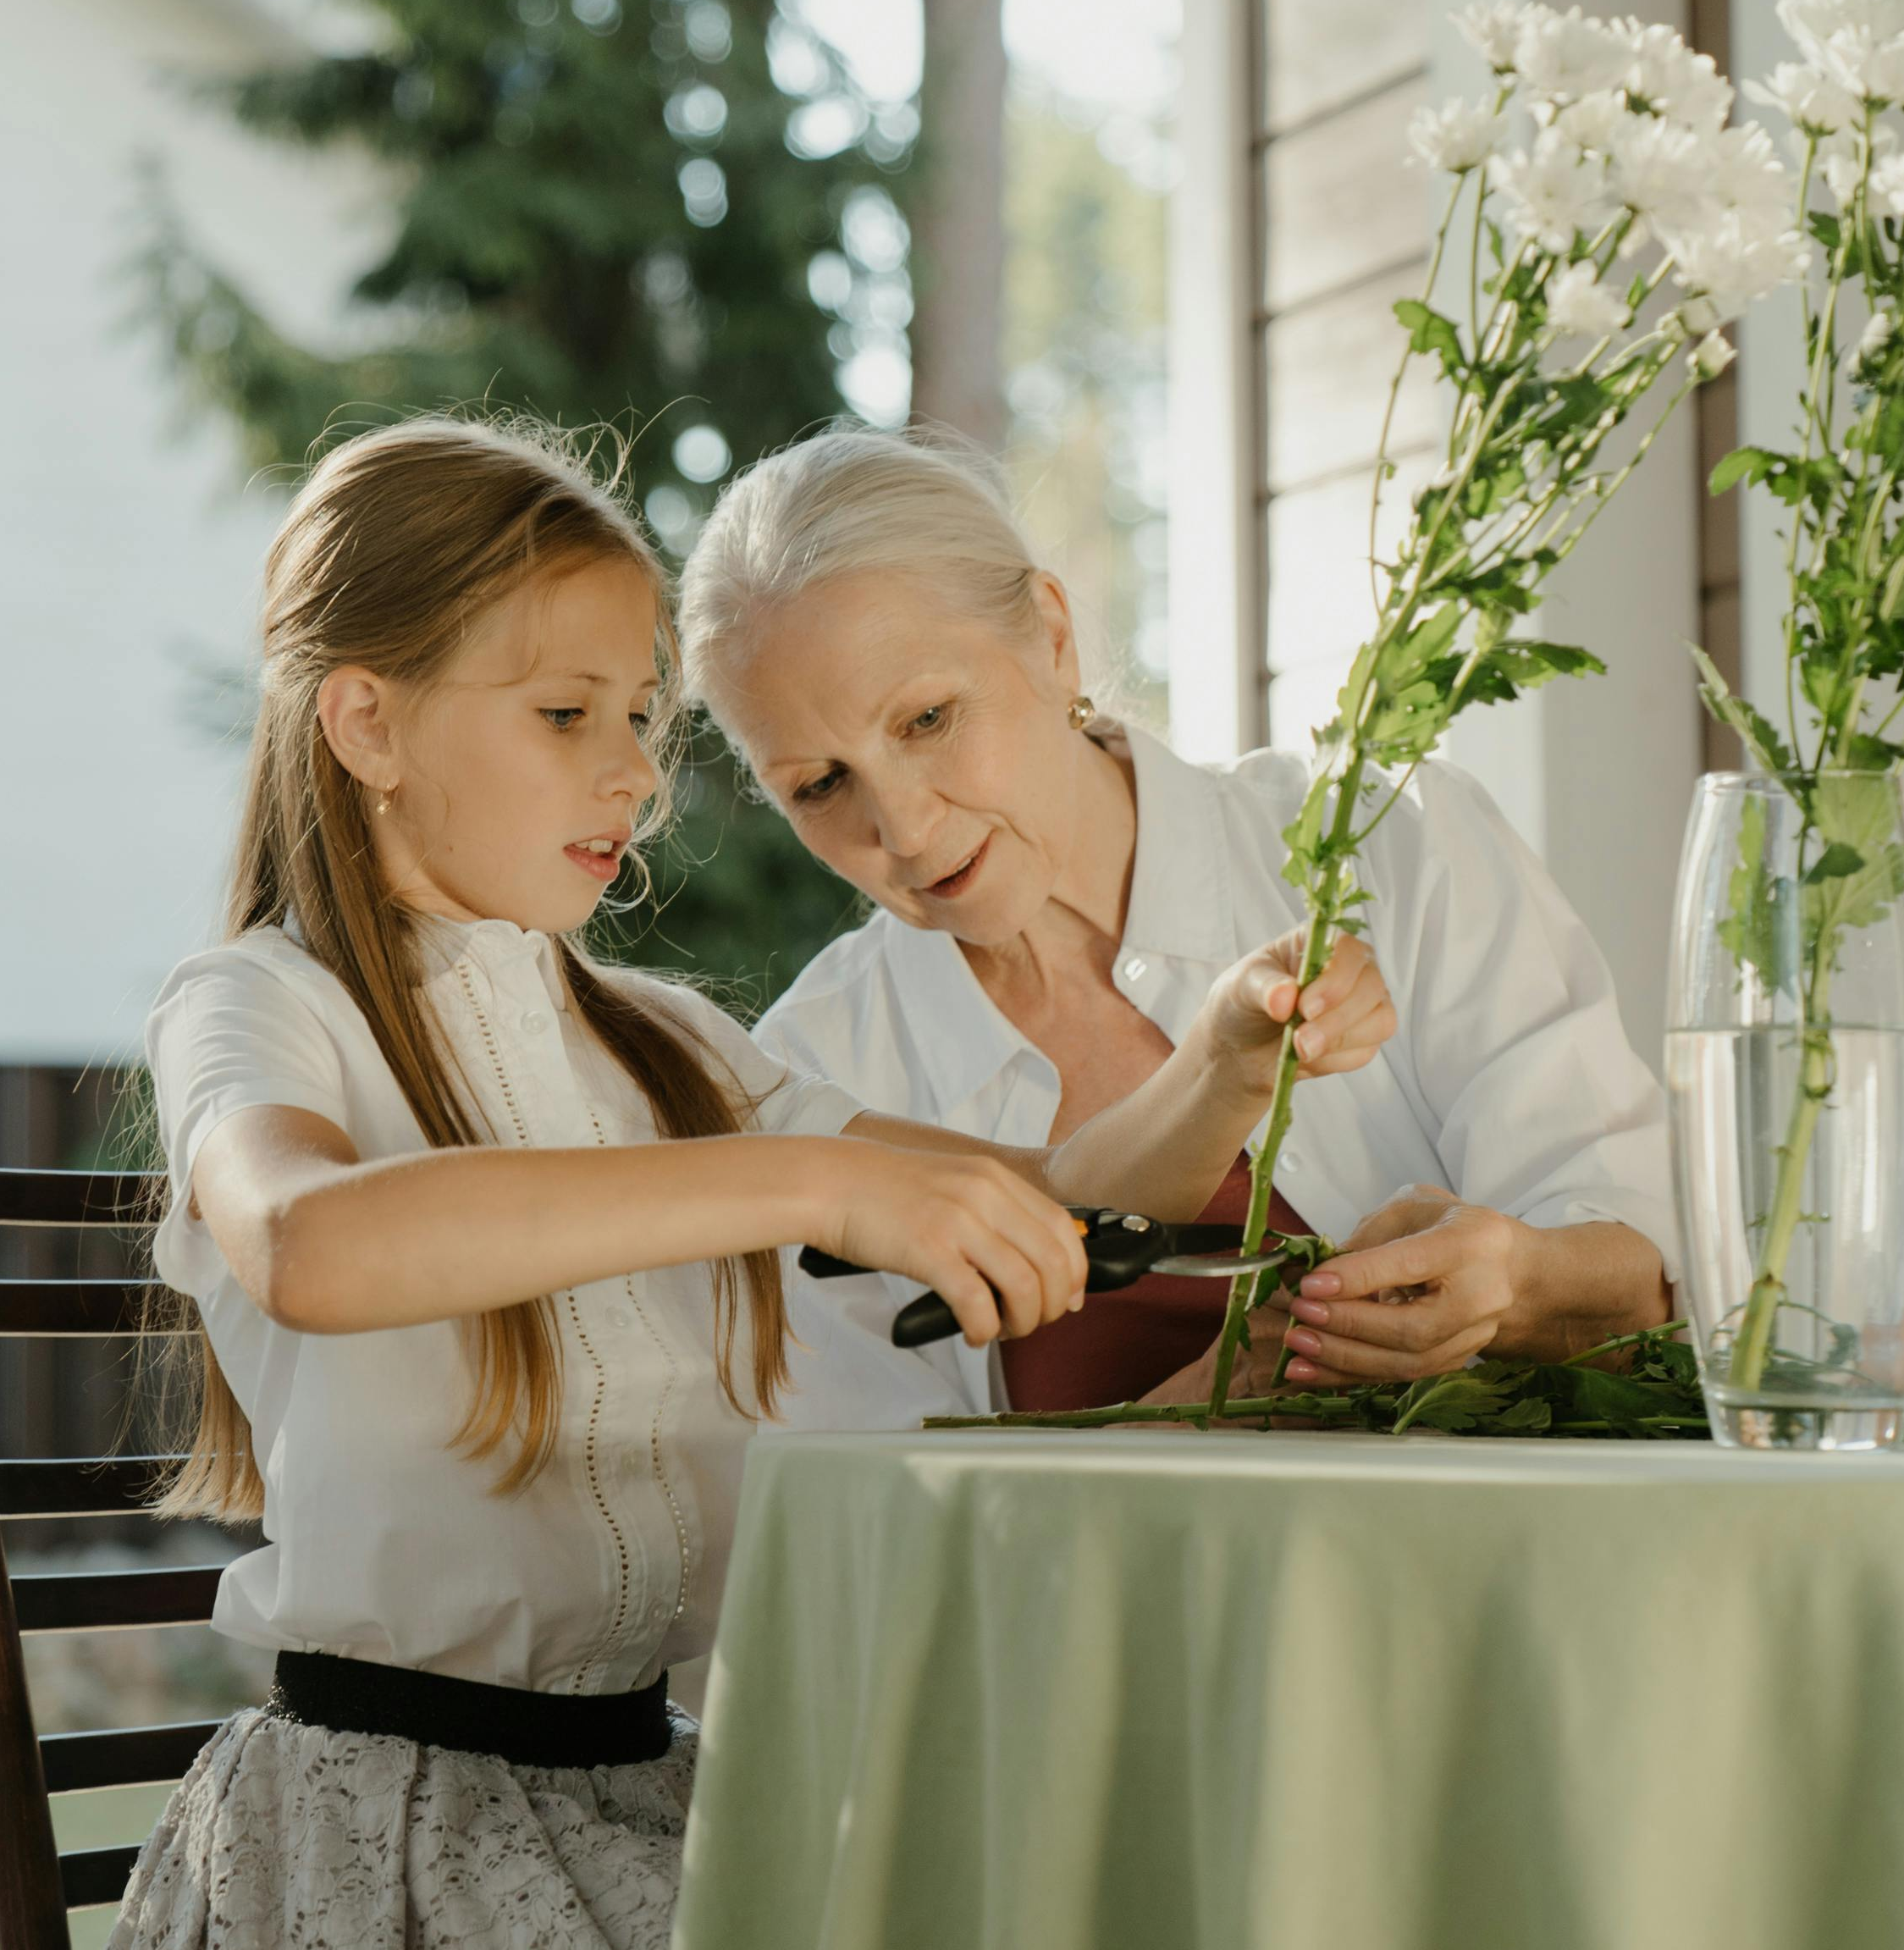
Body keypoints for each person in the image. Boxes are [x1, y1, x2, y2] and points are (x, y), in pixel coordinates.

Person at [113, 416, 1394, 1950]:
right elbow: (309, 1241)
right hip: (385, 1834)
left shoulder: (658, 1042)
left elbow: (1044, 1197)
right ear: (368, 724)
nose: (640, 772)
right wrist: (792, 1179)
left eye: (642, 712)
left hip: (650, 1798)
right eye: (569, 710)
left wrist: (1231, 1062)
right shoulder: (258, 1001)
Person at [676, 427, 1678, 1427]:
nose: (902, 825)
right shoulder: (814, 1072)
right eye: (819, 785)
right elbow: (871, 1522)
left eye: (928, 719)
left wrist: (1521, 1283)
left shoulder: (1390, 843)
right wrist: (1208, 1406)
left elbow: (1651, 1261)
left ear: (1052, 636)